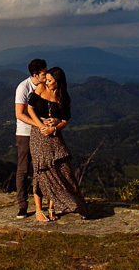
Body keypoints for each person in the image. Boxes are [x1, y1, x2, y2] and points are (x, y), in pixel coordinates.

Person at [27, 66, 87, 221]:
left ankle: (54, 207)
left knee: (59, 167)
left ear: (58, 82)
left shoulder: (64, 97)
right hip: (38, 134)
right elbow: (30, 108)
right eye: (46, 79)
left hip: (54, 136)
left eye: (50, 80)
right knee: (41, 168)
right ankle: (39, 210)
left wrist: (54, 126)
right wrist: (40, 125)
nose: (46, 82)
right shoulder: (40, 88)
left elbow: (65, 120)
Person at [13, 58, 48, 219]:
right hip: (25, 133)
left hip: (42, 131)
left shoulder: (46, 85)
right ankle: (22, 205)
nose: (46, 74)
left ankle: (46, 203)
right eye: (43, 72)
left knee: (42, 168)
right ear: (35, 74)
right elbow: (19, 114)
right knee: (23, 169)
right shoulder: (23, 88)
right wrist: (38, 123)